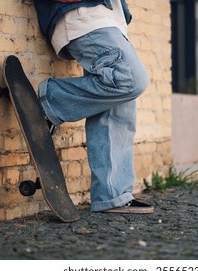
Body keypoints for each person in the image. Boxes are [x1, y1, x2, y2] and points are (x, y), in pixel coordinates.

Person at [32, 0, 154, 214]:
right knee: (130, 79)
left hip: (107, 19)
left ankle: (112, 194)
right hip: (85, 15)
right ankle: (53, 99)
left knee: (117, 108)